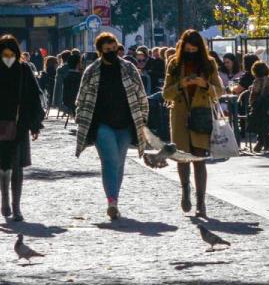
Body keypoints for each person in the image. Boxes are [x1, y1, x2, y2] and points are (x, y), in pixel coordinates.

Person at [73, 33, 149, 220]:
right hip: (101, 123)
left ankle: (115, 199)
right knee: (110, 160)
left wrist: (143, 118)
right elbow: (81, 97)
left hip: (124, 123)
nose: (112, 52)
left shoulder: (128, 68)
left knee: (120, 163)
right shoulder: (92, 71)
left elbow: (141, 94)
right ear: (100, 51)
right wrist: (80, 117)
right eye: (107, 50)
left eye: (114, 49)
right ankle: (112, 202)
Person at [0, 35, 45, 222]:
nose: (9, 57)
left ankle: (16, 206)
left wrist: (35, 124)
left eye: (12, 54)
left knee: (17, 166)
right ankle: (4, 198)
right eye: (5, 54)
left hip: (20, 123)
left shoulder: (24, 70)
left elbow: (34, 98)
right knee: (3, 165)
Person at [163, 30, 225, 218]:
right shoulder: (174, 63)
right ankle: (185, 190)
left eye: (194, 49)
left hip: (201, 115)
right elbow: (166, 94)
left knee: (199, 160)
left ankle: (201, 202)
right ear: (183, 47)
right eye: (187, 49)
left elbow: (220, 91)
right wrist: (181, 84)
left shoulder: (208, 64)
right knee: (182, 159)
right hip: (180, 116)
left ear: (200, 49)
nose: (191, 52)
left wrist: (204, 84)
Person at [248, 61, 269, 154]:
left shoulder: (257, 81)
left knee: (254, 117)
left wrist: (251, 103)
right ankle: (266, 140)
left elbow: (253, 96)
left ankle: (262, 140)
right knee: (262, 120)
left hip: (261, 109)